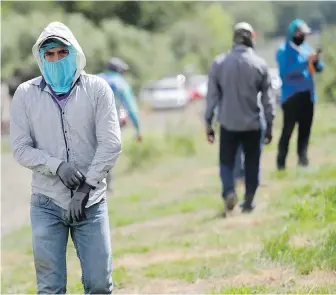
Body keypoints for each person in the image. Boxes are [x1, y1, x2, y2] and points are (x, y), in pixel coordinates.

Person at [10, 21, 122, 294]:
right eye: (49, 54)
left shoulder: (97, 89)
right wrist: (56, 166)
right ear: (41, 57)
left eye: (62, 53)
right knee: (50, 287)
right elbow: (21, 148)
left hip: (91, 203)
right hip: (46, 203)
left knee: (99, 284)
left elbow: (111, 143)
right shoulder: (26, 95)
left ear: (74, 54)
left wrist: (86, 187)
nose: (56, 59)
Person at [204, 22, 275, 216]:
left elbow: (212, 97)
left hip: (228, 123)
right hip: (253, 123)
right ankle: (249, 201)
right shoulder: (260, 64)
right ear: (251, 38)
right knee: (252, 162)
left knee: (226, 162)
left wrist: (208, 123)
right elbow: (268, 100)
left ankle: (229, 192)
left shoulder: (219, 63)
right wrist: (270, 125)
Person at [276, 19, 324, 170]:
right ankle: (281, 163)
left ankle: (303, 160)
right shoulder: (283, 51)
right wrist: (305, 61)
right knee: (288, 130)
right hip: (291, 97)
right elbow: (285, 72)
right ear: (292, 33)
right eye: (299, 33)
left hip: (307, 96)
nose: (302, 36)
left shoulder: (306, 49)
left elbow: (318, 68)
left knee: (305, 130)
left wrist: (315, 61)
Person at [97, 57, 142, 191]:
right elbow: (131, 108)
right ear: (119, 70)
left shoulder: (95, 79)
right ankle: (106, 188)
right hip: (109, 125)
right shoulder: (120, 83)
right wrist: (138, 129)